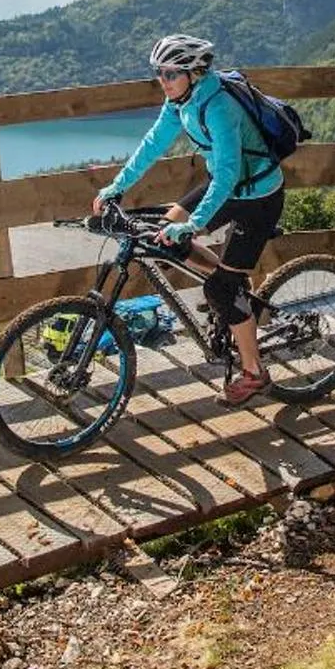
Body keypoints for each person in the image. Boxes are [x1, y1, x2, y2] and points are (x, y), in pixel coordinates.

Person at [92, 33, 285, 406]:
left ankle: (254, 372)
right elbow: (152, 145)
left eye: (170, 74)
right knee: (168, 234)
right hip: (227, 185)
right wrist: (115, 187)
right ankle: (234, 284)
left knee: (217, 290)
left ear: (194, 74)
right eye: (159, 74)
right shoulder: (180, 102)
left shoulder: (219, 106)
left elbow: (228, 174)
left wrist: (193, 224)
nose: (162, 82)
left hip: (257, 196)